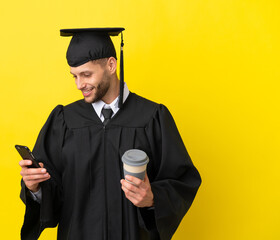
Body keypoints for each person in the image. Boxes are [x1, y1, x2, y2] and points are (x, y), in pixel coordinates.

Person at [19, 28, 201, 240]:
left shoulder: (152, 117)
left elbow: (182, 181)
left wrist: (152, 199)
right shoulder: (64, 121)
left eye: (86, 75)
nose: (80, 85)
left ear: (111, 65)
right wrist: (35, 188)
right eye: (74, 76)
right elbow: (55, 194)